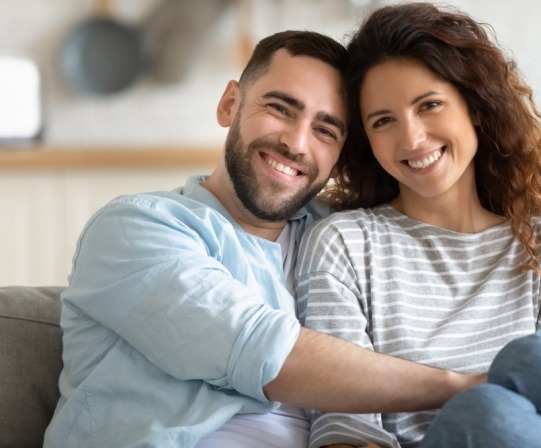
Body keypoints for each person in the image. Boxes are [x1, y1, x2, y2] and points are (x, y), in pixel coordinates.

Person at [43, 30, 487, 448]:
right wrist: (462, 387)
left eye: (325, 130)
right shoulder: (136, 227)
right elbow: (265, 353)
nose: (296, 143)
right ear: (229, 104)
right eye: (280, 108)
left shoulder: (344, 241)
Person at [295, 3, 541, 448]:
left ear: (474, 107)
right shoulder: (344, 243)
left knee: (537, 361)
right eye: (383, 121)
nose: (412, 138)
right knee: (486, 409)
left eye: (429, 105)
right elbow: (344, 427)